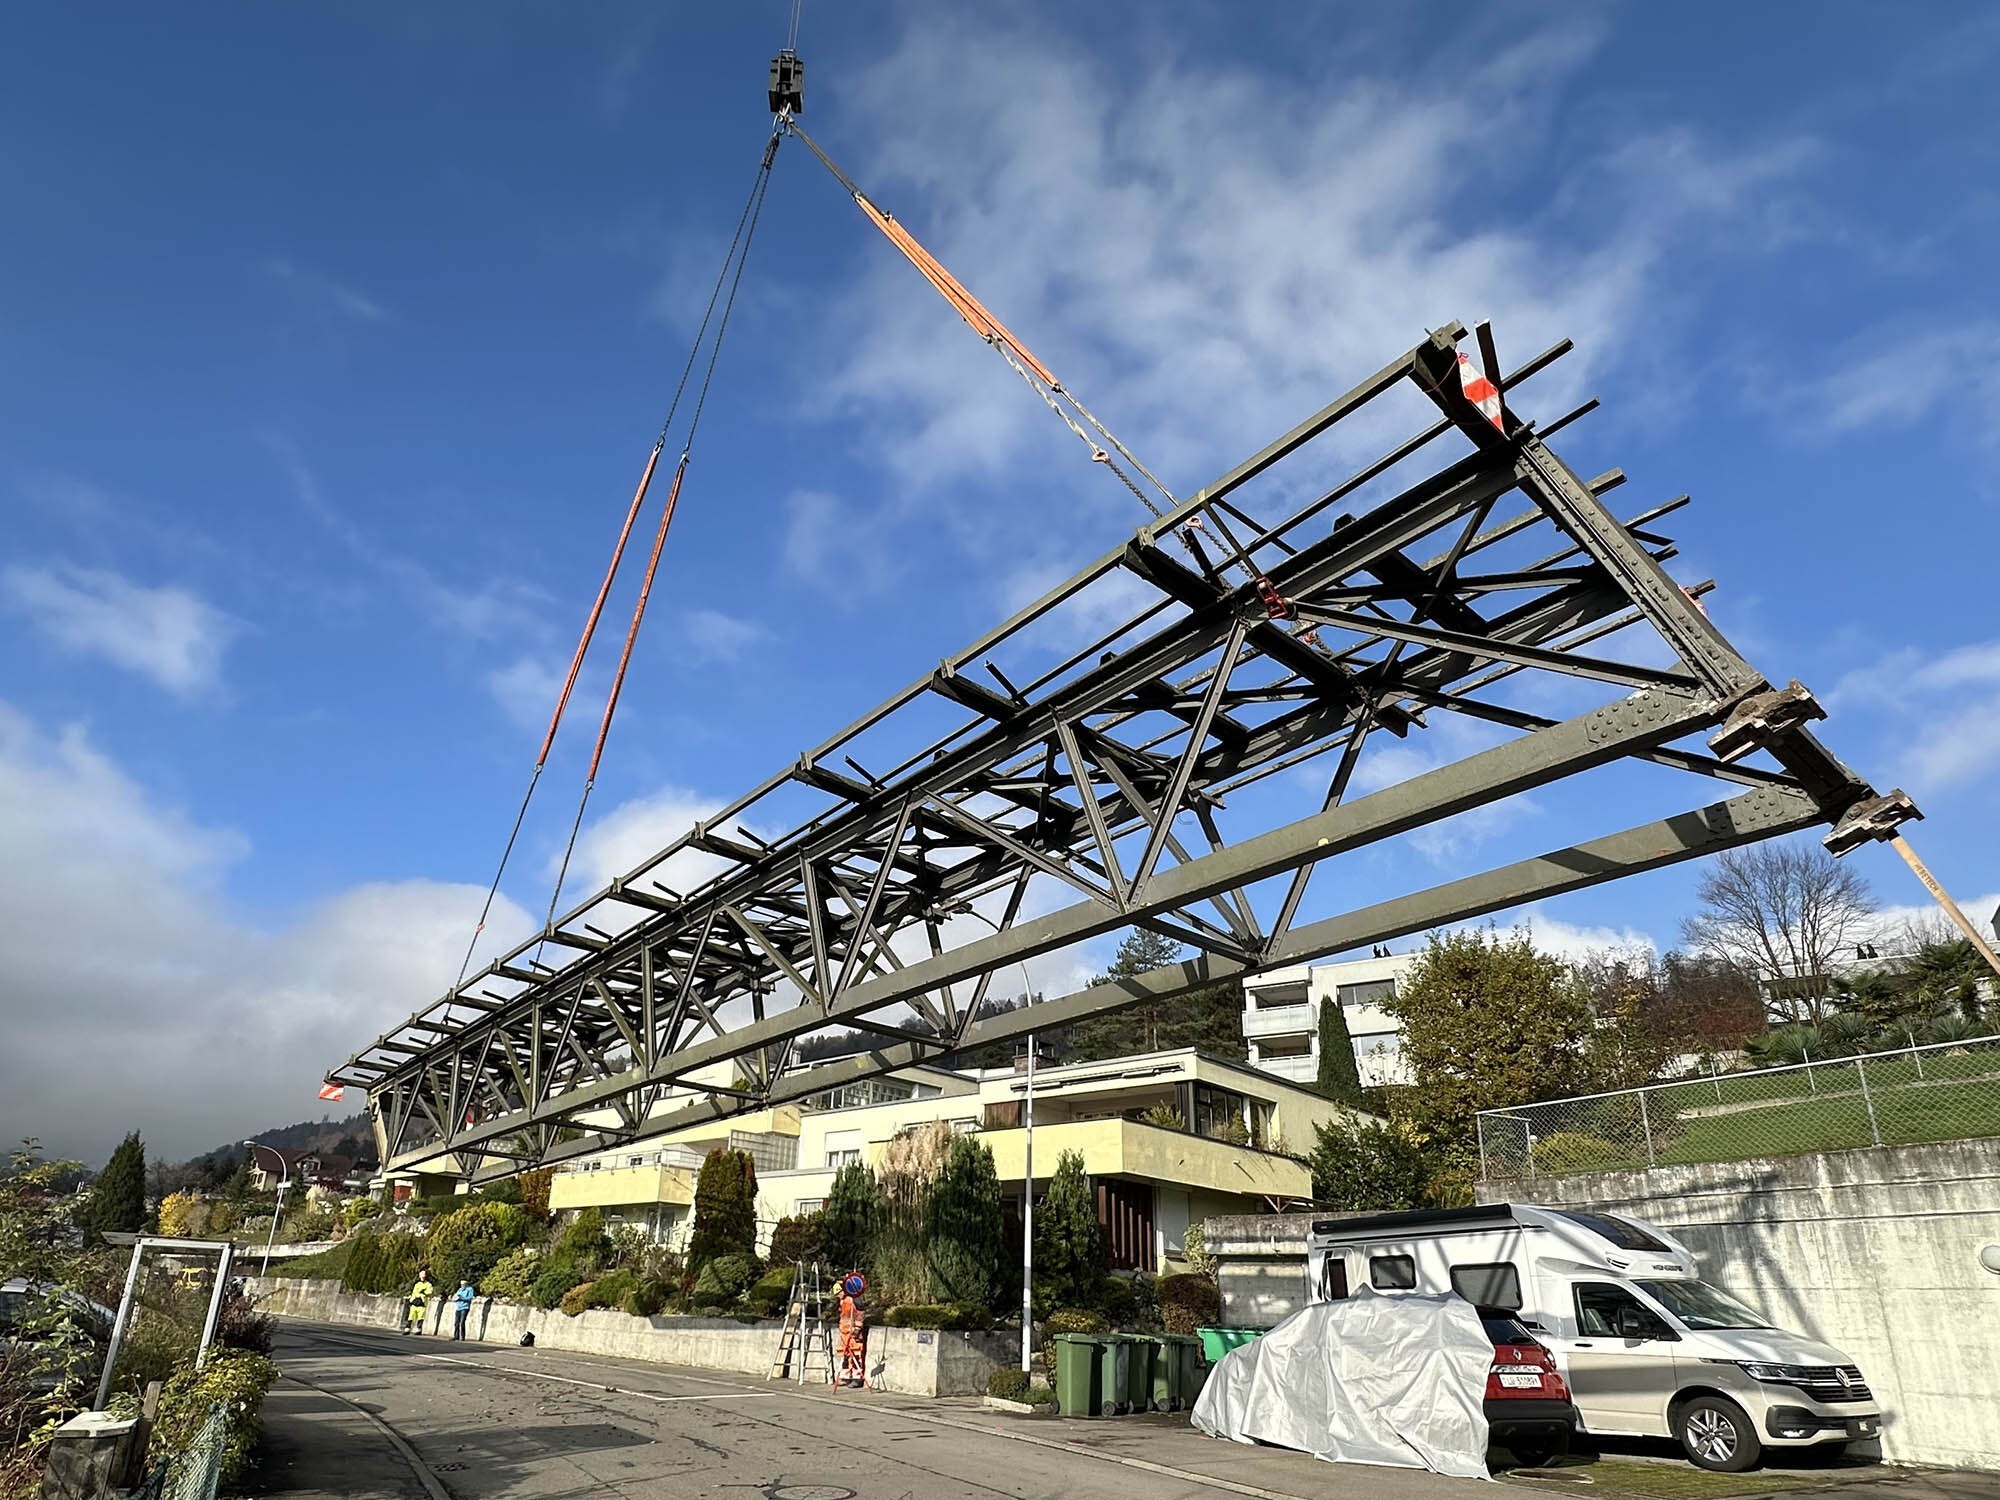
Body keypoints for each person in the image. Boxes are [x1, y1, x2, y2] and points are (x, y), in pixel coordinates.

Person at [407, 1268, 435, 1336]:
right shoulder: (417, 1284)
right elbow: (414, 1293)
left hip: (422, 1303)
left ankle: (418, 1329)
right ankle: (407, 1328)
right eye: (421, 1274)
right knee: (411, 1316)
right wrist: (411, 1300)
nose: (422, 1275)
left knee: (420, 1317)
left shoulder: (428, 1284)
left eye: (423, 1274)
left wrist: (424, 1292)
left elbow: (430, 1292)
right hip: (415, 1302)